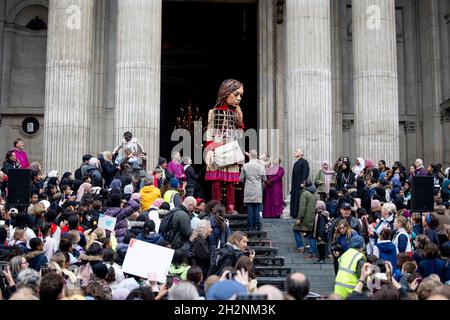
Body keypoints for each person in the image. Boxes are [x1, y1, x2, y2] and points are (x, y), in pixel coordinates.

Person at [205, 79, 245, 213]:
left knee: (230, 183)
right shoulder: (213, 112)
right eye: (236, 94)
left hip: (232, 148)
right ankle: (217, 208)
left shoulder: (237, 113)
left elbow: (240, 134)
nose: (239, 98)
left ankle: (231, 207)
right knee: (216, 181)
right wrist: (209, 150)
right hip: (216, 148)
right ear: (226, 92)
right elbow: (209, 132)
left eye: (241, 95)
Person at [240, 150, 266, 231]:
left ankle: (250, 227)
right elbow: (264, 178)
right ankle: (257, 227)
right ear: (256, 156)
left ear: (249, 156)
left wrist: (247, 181)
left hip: (248, 190)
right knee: (257, 210)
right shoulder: (261, 166)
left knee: (250, 210)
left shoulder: (245, 166)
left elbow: (241, 179)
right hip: (257, 190)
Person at [334, 235, 366, 299]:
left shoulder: (344, 254)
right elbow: (361, 276)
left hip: (338, 289)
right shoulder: (359, 256)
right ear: (362, 246)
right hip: (351, 290)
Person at [293, 180, 319, 256]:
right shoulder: (316, 193)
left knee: (296, 230)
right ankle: (312, 251)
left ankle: (300, 246)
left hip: (305, 218)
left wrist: (299, 218)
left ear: (305, 186)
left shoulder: (304, 194)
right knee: (312, 233)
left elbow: (302, 208)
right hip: (314, 217)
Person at [289, 149, 310, 218]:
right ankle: (294, 213)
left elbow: (305, 172)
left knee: (299, 198)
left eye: (296, 151)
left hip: (300, 183)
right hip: (295, 183)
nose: (295, 152)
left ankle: (298, 214)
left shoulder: (304, 162)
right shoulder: (296, 163)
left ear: (301, 154)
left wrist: (303, 182)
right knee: (295, 197)